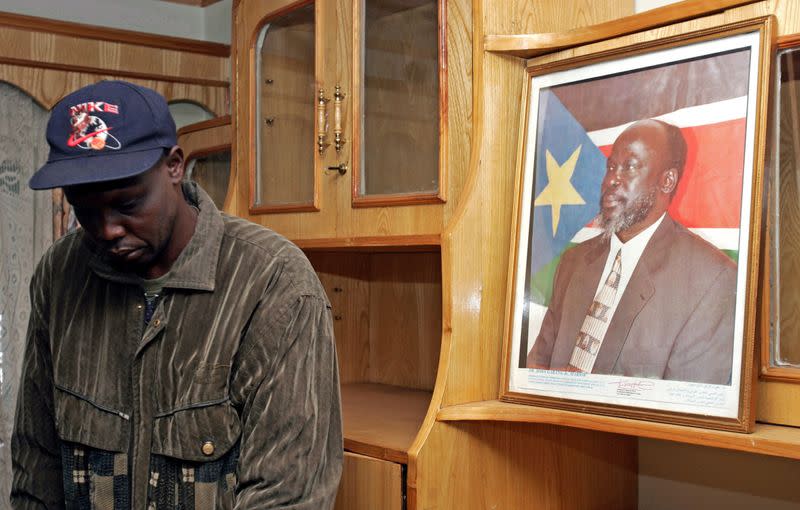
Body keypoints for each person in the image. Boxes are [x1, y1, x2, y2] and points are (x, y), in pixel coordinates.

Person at [11, 80, 343, 508]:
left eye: (128, 204)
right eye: (85, 210)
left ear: (174, 166)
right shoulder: (58, 276)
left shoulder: (275, 286)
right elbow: (36, 470)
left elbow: (287, 497)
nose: (106, 229)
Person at [527, 119, 736, 385]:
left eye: (630, 167)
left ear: (667, 180)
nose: (612, 179)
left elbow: (684, 414)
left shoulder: (712, 281)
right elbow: (536, 368)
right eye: (611, 166)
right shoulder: (573, 262)